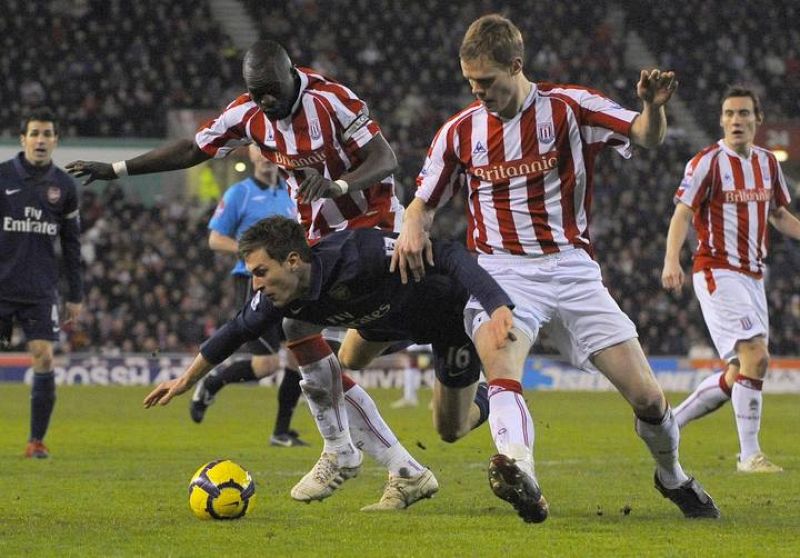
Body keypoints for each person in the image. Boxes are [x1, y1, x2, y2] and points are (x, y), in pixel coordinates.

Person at [66, 39, 426, 507]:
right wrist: (117, 169)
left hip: (371, 230)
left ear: (292, 72)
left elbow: (385, 158)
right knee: (307, 337)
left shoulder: (331, 100)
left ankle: (364, 451)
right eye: (257, 93)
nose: (266, 102)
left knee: (323, 342)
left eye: (273, 90)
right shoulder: (246, 114)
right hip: (315, 241)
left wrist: (339, 184)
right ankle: (372, 457)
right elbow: (192, 149)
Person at [391, 14, 720, 522]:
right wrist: (414, 223)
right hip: (501, 274)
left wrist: (653, 109)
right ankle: (519, 470)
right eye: (470, 82)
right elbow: (423, 201)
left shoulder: (569, 108)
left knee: (649, 399)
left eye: (488, 82)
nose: (478, 92)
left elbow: (645, 135)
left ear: (516, 66)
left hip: (572, 271)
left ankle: (672, 475)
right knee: (501, 368)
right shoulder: (459, 132)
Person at [144, 216, 513, 509]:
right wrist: (185, 381)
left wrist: (495, 303)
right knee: (343, 357)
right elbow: (234, 331)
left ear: (292, 261)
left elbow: (448, 253)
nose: (256, 284)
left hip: (448, 320)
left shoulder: (360, 253)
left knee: (451, 430)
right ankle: (341, 448)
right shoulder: (279, 296)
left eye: (260, 272)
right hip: (383, 322)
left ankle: (490, 398)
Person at [661, 86, 799, 473]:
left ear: (758, 119)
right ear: (721, 120)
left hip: (753, 276)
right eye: (729, 114)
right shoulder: (706, 162)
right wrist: (672, 260)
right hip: (717, 270)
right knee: (756, 356)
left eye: (743, 113)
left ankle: (670, 422)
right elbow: (683, 214)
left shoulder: (768, 163)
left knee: (739, 371)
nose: (736, 120)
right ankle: (749, 455)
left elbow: (779, 216)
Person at [190, 144, 308, 448]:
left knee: (299, 356)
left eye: (271, 149)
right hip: (253, 282)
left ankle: (281, 432)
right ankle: (213, 382)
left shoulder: (292, 192)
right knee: (266, 365)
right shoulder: (239, 194)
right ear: (251, 154)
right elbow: (216, 239)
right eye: (260, 149)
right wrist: (254, 257)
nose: (266, 155)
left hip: (292, 284)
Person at [0, 108, 83, 458]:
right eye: (34, 133)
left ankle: (36, 441)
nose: (40, 140)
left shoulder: (64, 186)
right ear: (23, 139)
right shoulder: (2, 176)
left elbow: (71, 244)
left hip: (39, 289)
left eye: (47, 134)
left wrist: (75, 294)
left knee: (44, 357)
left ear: (55, 141)